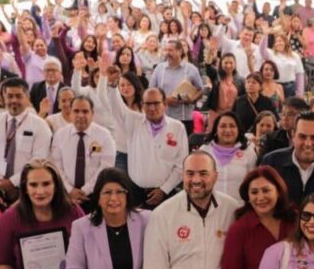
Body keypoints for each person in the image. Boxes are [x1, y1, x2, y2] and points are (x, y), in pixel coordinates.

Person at [99, 61, 188, 210]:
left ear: (164, 104)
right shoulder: (134, 121)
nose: (152, 108)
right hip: (135, 192)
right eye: (148, 104)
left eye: (156, 103)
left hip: (167, 193)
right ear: (142, 105)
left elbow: (181, 165)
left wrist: (164, 189)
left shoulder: (177, 127)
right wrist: (113, 85)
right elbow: (116, 108)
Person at [0, 78, 53, 202]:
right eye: (9, 96)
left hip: (28, 188)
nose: (14, 100)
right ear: (3, 97)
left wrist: (12, 182)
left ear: (27, 97)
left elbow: (39, 159)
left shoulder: (40, 125)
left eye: (18, 96)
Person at [50, 95, 116, 210]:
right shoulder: (60, 135)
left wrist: (85, 190)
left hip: (95, 195)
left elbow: (106, 167)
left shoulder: (104, 135)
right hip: (66, 195)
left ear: (92, 113)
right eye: (76, 111)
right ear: (70, 113)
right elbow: (56, 165)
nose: (80, 115)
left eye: (85, 111)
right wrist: (70, 190)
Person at [198, 111, 257, 201]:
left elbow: (253, 182)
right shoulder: (205, 150)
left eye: (232, 126)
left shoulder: (248, 151)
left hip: (239, 207)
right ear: (216, 129)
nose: (228, 130)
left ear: (238, 129)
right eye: (223, 126)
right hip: (211, 207)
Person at [150, 40, 204, 135]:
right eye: (166, 50)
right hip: (163, 117)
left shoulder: (191, 69)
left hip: (184, 118)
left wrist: (191, 99)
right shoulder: (159, 69)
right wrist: (166, 99)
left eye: (171, 50)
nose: (168, 53)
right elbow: (151, 91)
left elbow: (200, 89)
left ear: (179, 51)